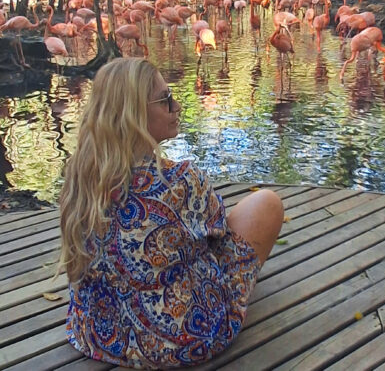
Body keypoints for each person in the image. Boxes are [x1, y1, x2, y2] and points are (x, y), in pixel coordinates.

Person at [57, 58, 284, 368]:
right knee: (266, 204)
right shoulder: (181, 181)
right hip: (180, 342)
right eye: (164, 100)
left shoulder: (79, 180)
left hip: (97, 336)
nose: (176, 105)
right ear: (134, 112)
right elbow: (219, 233)